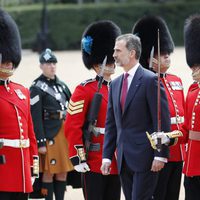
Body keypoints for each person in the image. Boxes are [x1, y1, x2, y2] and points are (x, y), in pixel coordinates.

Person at [101, 33, 171, 200]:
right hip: (124, 158)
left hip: (146, 157)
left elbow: (161, 121)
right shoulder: (116, 83)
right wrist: (106, 156)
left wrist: (160, 154)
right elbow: (112, 123)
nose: (114, 55)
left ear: (131, 53)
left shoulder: (150, 80)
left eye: (118, 50)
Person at [64, 20, 121, 200]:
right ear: (97, 63)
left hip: (116, 159)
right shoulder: (84, 90)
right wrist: (78, 156)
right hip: (94, 159)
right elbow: (72, 125)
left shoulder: (118, 87)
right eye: (109, 60)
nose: (113, 63)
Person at [132, 15, 185, 200]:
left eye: (168, 52)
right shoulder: (144, 83)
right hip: (157, 152)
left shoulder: (176, 81)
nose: (167, 56)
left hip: (177, 151)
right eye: (162, 54)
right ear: (150, 57)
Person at [0, 8, 39, 200]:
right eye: (4, 60)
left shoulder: (22, 91)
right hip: (3, 168)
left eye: (10, 60)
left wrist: (34, 166)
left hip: (22, 169)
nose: (8, 64)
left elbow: (30, 133)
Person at [30, 48, 73, 200]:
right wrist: (40, 141)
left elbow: (72, 106)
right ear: (41, 66)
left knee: (62, 171)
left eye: (54, 63)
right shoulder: (36, 88)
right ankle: (47, 198)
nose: (52, 66)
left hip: (64, 133)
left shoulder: (61, 86)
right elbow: (35, 117)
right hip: (49, 135)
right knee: (48, 172)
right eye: (48, 63)